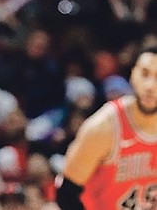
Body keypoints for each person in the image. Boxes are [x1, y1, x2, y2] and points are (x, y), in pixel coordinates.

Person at [56, 46, 157, 209]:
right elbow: (66, 193)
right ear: (132, 74)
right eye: (145, 74)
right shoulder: (104, 127)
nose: (150, 86)